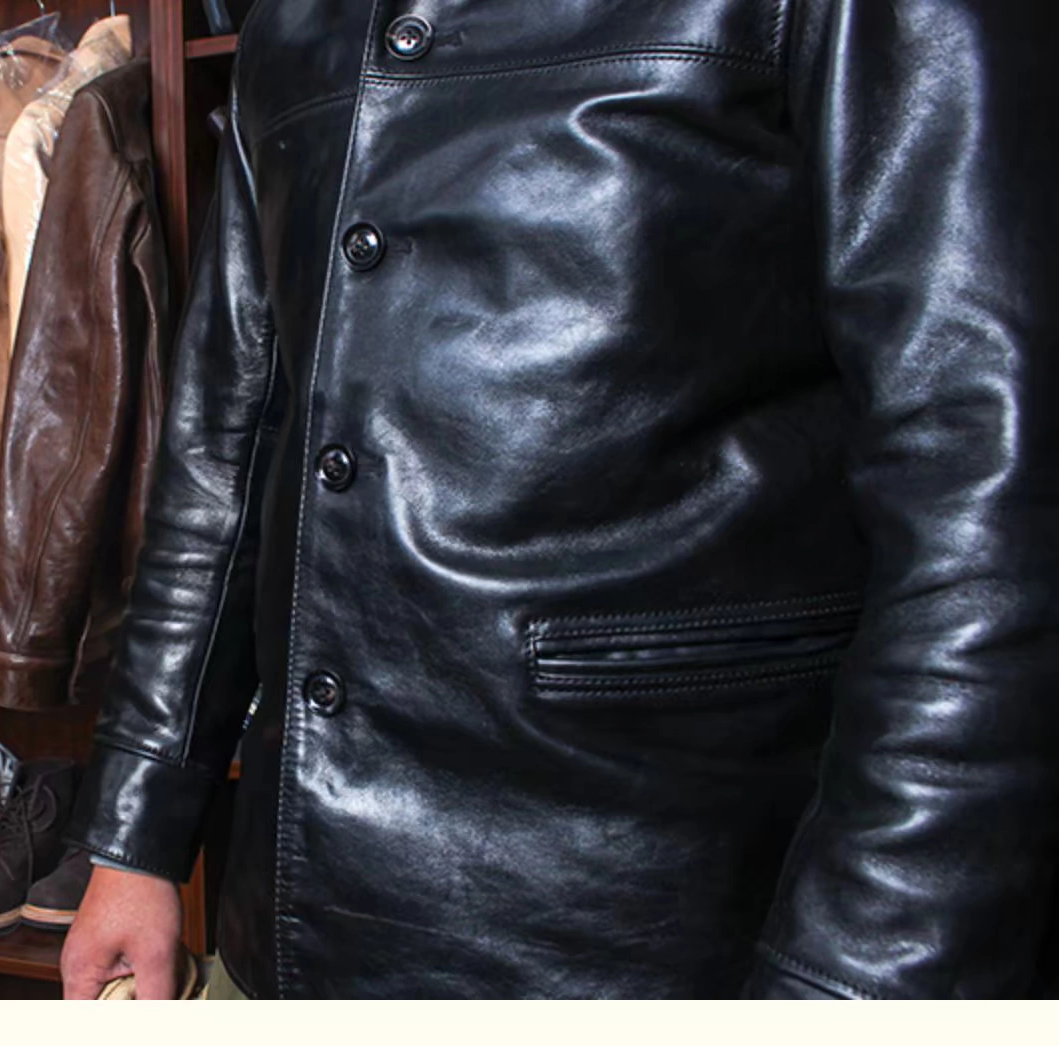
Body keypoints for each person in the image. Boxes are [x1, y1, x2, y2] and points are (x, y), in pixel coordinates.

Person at [59, 0, 1059, 999]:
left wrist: (864, 977)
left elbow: (987, 503)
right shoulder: (294, 21)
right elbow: (227, 442)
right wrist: (135, 835)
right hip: (294, 921)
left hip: (668, 919)